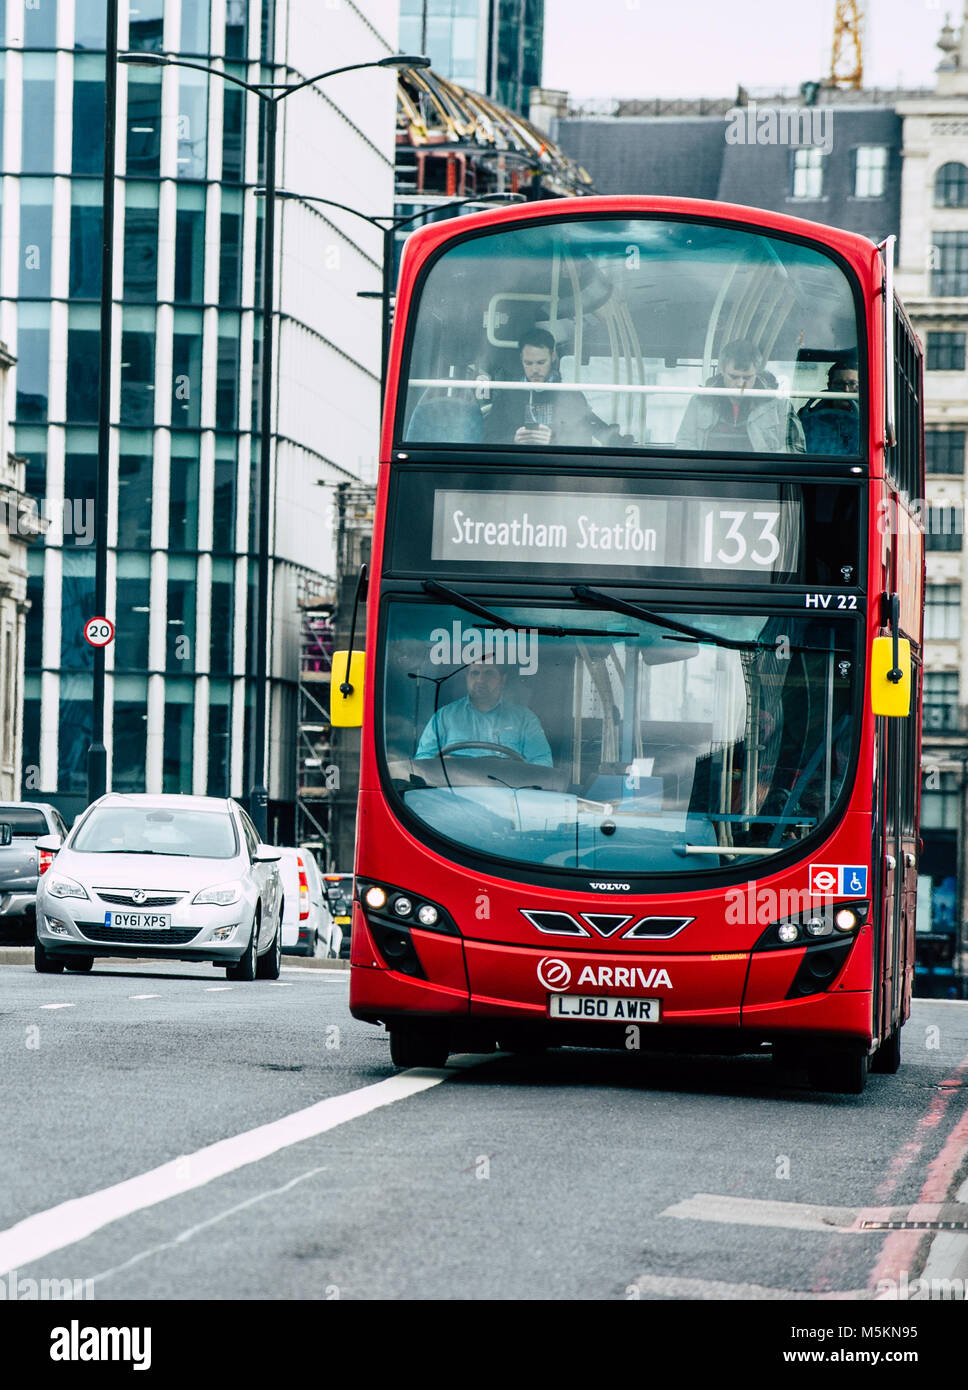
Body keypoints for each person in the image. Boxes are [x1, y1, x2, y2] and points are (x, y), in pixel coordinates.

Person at [482, 329, 633, 448]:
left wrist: (553, 440)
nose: (534, 370)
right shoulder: (507, 396)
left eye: (541, 362)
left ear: (553, 356)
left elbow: (582, 443)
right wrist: (513, 440)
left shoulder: (570, 398)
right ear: (521, 358)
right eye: (528, 363)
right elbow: (487, 440)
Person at [675, 339, 806, 454]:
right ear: (722, 370)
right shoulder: (700, 402)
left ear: (757, 373)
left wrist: (764, 470)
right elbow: (684, 444)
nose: (740, 384)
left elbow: (795, 449)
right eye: (734, 377)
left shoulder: (779, 405)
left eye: (747, 377)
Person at [415, 659, 553, 765]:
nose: (480, 680)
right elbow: (423, 761)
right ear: (467, 677)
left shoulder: (524, 719)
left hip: (509, 796)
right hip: (453, 795)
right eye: (475, 673)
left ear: (502, 679)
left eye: (489, 673)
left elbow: (543, 763)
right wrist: (442, 764)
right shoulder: (444, 717)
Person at [798, 361, 860, 455]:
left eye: (852, 383)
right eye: (839, 384)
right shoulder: (809, 417)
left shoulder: (870, 419)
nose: (846, 390)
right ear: (829, 386)